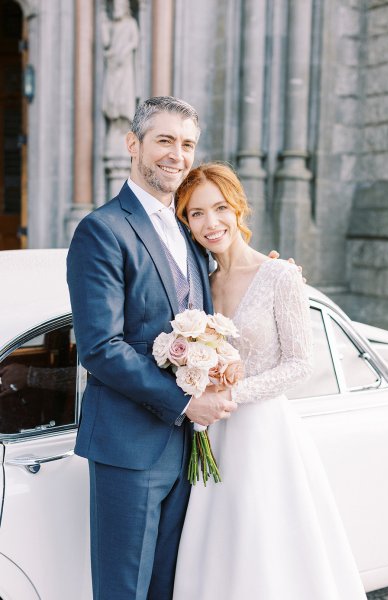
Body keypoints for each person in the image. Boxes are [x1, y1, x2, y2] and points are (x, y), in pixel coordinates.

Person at [67, 97, 238, 600]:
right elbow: (100, 347)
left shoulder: (189, 231)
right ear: (133, 144)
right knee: (124, 591)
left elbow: (215, 298)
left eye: (187, 144)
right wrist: (187, 401)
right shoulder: (102, 230)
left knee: (169, 588)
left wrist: (270, 273)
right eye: (164, 140)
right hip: (128, 447)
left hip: (187, 452)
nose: (176, 155)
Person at [173, 163, 367, 600]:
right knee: (219, 550)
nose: (211, 222)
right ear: (185, 222)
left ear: (239, 208)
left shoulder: (281, 275)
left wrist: (228, 394)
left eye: (220, 208)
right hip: (211, 436)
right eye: (196, 213)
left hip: (264, 436)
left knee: (270, 548)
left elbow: (300, 364)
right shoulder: (197, 284)